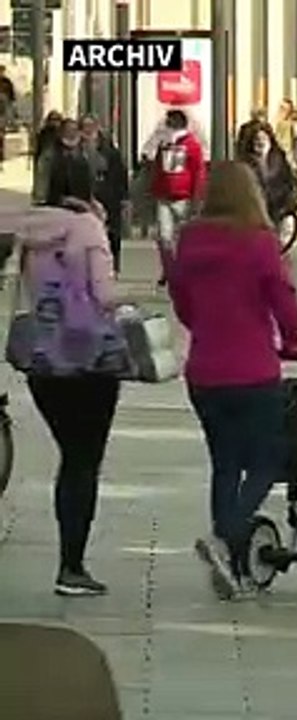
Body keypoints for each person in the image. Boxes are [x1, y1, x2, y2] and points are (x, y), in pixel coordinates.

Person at [161, 161, 297, 599]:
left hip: (204, 371)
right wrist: (292, 340)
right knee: (267, 459)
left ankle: (229, 564)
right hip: (253, 370)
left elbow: (183, 305)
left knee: (225, 464)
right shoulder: (259, 242)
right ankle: (225, 537)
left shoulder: (190, 241)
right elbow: (283, 298)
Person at [7, 165, 121, 596]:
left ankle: (69, 565)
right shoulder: (88, 226)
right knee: (84, 460)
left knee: (69, 454)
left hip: (44, 359)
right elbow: (103, 294)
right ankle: (72, 565)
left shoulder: (31, 228)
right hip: (89, 357)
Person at [151, 109, 206, 276]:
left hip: (184, 197)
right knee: (164, 236)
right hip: (164, 197)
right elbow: (158, 169)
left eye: (168, 123)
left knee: (185, 236)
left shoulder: (192, 145)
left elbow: (198, 171)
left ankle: (185, 266)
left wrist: (197, 196)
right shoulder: (164, 144)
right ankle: (168, 269)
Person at [80, 115, 130, 273]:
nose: (88, 130)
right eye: (84, 127)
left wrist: (124, 197)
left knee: (112, 232)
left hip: (109, 196)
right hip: (84, 196)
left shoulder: (109, 151)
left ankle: (113, 263)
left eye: (91, 126)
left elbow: (120, 174)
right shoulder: (77, 149)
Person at [246, 125, 297, 232]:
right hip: (256, 206)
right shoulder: (248, 161)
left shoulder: (278, 158)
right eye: (257, 139)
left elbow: (288, 180)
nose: (260, 143)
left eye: (264, 139)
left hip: (277, 204)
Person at [31, 111, 65, 203]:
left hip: (58, 159)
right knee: (43, 178)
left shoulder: (62, 132)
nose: (54, 122)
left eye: (57, 120)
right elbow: (39, 147)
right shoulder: (44, 132)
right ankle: (41, 196)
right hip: (45, 157)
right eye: (52, 120)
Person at [274, 99, 297, 169]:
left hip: (290, 161)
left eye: (284, 109)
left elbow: (289, 146)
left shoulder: (293, 125)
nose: (281, 111)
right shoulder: (277, 123)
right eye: (281, 108)